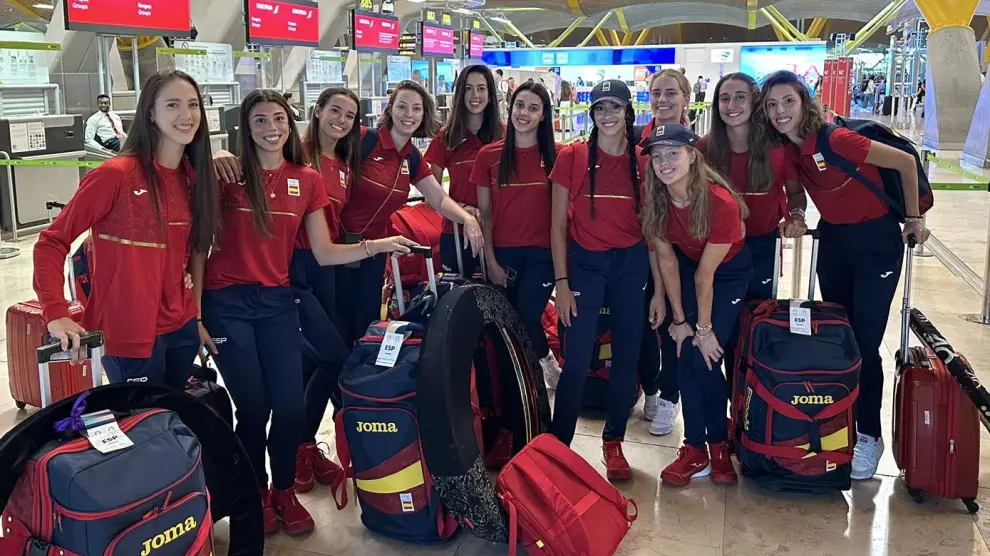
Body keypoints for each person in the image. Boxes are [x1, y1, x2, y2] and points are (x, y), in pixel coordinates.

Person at [192, 89, 416, 536]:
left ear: (290, 123)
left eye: (278, 119)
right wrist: (196, 314)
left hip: (277, 300)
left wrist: (378, 246)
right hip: (226, 304)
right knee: (254, 407)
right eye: (260, 120)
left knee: (290, 406)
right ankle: (256, 494)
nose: (271, 128)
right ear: (245, 126)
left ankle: (283, 491)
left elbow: (324, 251)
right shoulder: (227, 175)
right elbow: (199, 247)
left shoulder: (307, 179)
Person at [761, 70, 930, 480]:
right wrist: (797, 213)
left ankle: (869, 435)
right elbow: (796, 190)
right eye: (772, 105)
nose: (780, 111)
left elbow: (906, 162)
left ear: (804, 102)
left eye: (788, 101)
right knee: (841, 339)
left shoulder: (836, 139)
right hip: (835, 243)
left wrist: (913, 217)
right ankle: (841, 425)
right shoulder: (790, 149)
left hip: (876, 243)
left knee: (866, 343)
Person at [35, 70, 220, 385]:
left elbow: (190, 250)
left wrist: (194, 310)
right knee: (139, 414)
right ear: (150, 112)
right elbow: (51, 242)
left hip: (181, 327)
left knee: (172, 412)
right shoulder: (116, 175)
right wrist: (56, 312)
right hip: (127, 332)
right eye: (172, 105)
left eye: (193, 105)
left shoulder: (194, 178)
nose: (186, 115)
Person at [548, 80, 655, 481]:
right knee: (576, 360)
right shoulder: (573, 157)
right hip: (585, 264)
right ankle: (559, 445)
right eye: (600, 108)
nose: (607, 115)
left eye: (615, 107)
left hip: (631, 264)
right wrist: (561, 282)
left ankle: (614, 441)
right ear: (591, 114)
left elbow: (654, 229)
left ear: (628, 112)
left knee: (626, 357)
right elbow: (557, 225)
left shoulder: (644, 162)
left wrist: (660, 291)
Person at [640, 123, 752, 487]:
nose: (664, 162)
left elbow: (707, 277)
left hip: (727, 274)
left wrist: (703, 330)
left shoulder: (719, 202)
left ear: (692, 156)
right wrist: (678, 321)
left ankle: (718, 446)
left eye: (673, 153)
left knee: (706, 357)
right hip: (690, 269)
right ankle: (694, 448)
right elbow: (668, 261)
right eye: (657, 156)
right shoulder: (656, 198)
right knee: (684, 354)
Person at [336, 80, 483, 345]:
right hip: (338, 248)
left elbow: (438, 198)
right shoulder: (363, 140)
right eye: (402, 107)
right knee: (333, 326)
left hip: (375, 251)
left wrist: (467, 218)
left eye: (416, 109)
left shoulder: (411, 157)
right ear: (390, 109)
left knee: (363, 329)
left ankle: (357, 373)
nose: (409, 115)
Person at [699, 72, 808, 382]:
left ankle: (747, 398)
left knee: (753, 324)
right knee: (720, 328)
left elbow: (795, 191)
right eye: (725, 98)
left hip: (762, 247)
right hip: (717, 252)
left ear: (754, 102)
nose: (732, 105)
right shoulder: (706, 148)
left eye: (740, 97)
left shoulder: (778, 147)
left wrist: (796, 216)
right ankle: (719, 401)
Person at [471, 81, 559, 371]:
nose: (524, 113)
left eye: (533, 108)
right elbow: (485, 213)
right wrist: (491, 261)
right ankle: (533, 373)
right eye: (519, 105)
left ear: (543, 115)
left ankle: (542, 371)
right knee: (508, 324)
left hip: (543, 255)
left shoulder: (558, 156)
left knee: (525, 317)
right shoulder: (488, 156)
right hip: (504, 253)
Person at [637, 68, 693, 437]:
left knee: (678, 322)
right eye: (656, 93)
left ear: (686, 97)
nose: (662, 100)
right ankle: (652, 390)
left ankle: (671, 396)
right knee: (648, 323)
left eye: (670, 93)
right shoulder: (638, 142)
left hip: (686, 250)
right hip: (647, 246)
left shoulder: (698, 145)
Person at [426, 65, 504, 277]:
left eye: (481, 88)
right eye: (468, 88)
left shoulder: (505, 136)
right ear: (460, 94)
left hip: (499, 234)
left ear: (490, 94)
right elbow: (431, 197)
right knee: (460, 297)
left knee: (499, 296)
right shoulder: (445, 138)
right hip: (457, 234)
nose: (475, 95)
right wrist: (463, 211)